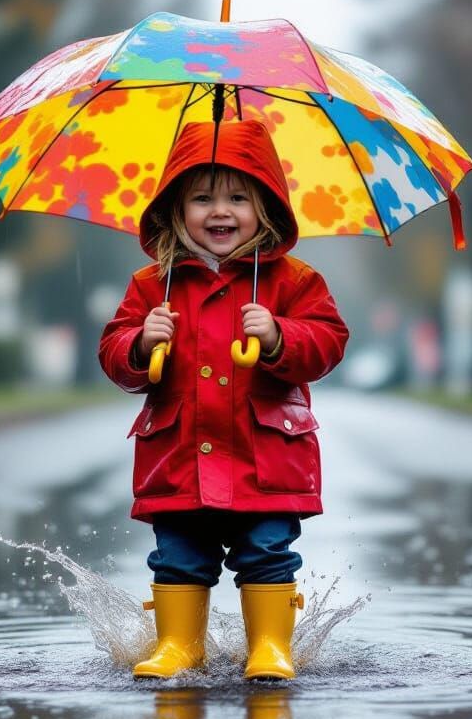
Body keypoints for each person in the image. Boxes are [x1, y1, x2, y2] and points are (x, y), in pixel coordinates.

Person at [98, 119, 349, 681]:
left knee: (267, 553)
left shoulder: (294, 281)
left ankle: (270, 646)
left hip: (265, 459)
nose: (220, 211)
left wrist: (281, 334)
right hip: (179, 458)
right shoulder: (151, 284)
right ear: (174, 210)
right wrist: (140, 342)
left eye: (239, 197)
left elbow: (329, 342)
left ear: (266, 209)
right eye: (202, 197)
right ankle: (179, 645)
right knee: (178, 555)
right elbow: (113, 355)